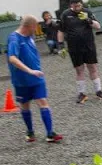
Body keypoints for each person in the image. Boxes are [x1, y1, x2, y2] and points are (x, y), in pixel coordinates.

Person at [6, 15, 63, 143]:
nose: (36, 29)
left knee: (43, 102)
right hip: (22, 80)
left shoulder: (30, 36)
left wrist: (35, 69)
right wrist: (29, 70)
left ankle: (50, 133)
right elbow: (12, 58)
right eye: (35, 26)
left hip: (37, 77)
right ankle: (30, 132)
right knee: (25, 105)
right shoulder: (14, 39)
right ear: (29, 26)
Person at [57, 0, 102, 104]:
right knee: (79, 70)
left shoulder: (87, 12)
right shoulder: (66, 15)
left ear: (81, 4)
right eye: (75, 6)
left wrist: (88, 19)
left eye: (79, 5)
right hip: (74, 47)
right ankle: (82, 93)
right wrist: (61, 45)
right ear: (71, 5)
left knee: (92, 68)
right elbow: (60, 31)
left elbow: (98, 26)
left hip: (88, 45)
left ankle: (98, 91)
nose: (77, 8)